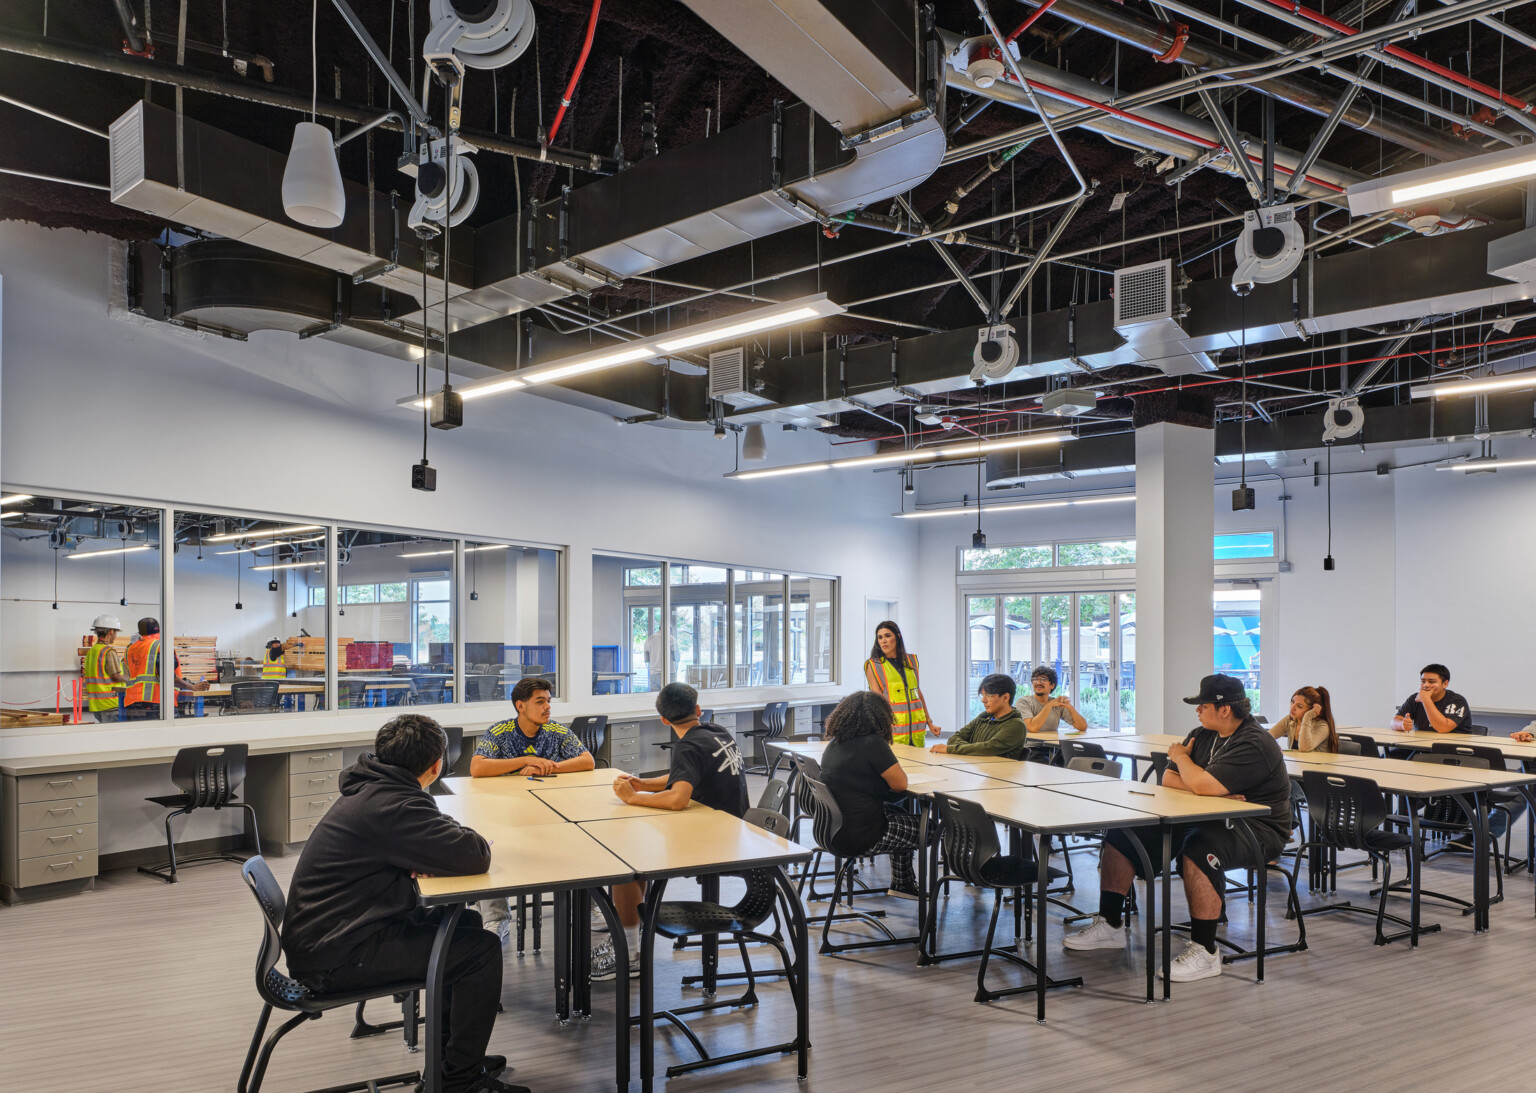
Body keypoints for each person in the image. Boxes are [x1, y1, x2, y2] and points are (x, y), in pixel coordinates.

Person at [280, 715, 519, 1093]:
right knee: (481, 949)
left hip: (331, 936)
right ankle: (459, 1081)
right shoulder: (395, 806)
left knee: (465, 925)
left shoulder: (376, 788)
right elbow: (474, 854)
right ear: (437, 764)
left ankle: (450, 1061)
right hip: (337, 957)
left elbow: (439, 837)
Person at [1063, 674, 1291, 983]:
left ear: (1224, 710)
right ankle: (1110, 925)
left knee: (1200, 848)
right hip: (1206, 814)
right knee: (1122, 833)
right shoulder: (1203, 733)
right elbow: (1168, 780)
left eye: (1203, 705)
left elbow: (1197, 781)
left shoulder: (1254, 742)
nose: (1197, 711)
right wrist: (1204, 788)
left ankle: (1206, 952)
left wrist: (1185, 761)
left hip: (1256, 828)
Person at [610, 682, 749, 961]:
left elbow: (678, 799)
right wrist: (643, 783)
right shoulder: (715, 732)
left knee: (623, 867)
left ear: (663, 719)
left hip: (715, 843)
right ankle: (635, 939)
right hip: (737, 831)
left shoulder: (686, 746)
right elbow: (686, 776)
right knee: (636, 859)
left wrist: (632, 798)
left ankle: (629, 953)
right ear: (698, 710)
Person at [471, 677, 595, 954]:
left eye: (548, 701)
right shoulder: (500, 731)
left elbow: (588, 761)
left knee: (585, 838)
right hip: (504, 811)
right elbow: (477, 768)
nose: (547, 707)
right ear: (520, 706)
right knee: (486, 847)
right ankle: (496, 917)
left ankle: (591, 906)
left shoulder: (557, 731)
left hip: (552, 809)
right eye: (540, 702)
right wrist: (526, 760)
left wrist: (549, 767)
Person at [819, 690, 932, 901]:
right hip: (861, 835)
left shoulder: (835, 744)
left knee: (900, 813)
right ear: (881, 716)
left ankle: (902, 883)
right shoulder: (872, 743)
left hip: (833, 830)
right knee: (930, 828)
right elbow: (900, 784)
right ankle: (904, 883)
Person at [863, 620, 941, 747]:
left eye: (888, 636)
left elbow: (918, 693)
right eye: (880, 637)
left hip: (916, 730)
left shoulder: (912, 661)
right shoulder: (874, 665)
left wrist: (929, 722)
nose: (883, 641)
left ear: (897, 637)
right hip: (894, 731)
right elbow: (877, 700)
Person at [122, 617, 207, 719]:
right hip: (157, 702)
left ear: (140, 631)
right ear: (159, 629)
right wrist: (191, 687)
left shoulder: (130, 649)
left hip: (133, 702)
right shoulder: (161, 646)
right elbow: (167, 676)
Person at [929, 673, 1027, 758]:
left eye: (988, 695)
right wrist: (972, 749)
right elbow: (954, 738)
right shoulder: (984, 717)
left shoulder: (1016, 725)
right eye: (983, 695)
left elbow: (987, 749)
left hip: (1000, 775)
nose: (983, 700)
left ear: (1005, 697)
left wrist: (951, 749)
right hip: (977, 771)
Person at [1391, 663, 1472, 734]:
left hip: (1450, 748)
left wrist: (1426, 699)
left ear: (1445, 684)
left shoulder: (1457, 700)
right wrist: (1402, 725)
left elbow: (1444, 728)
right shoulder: (1415, 698)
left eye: (1431, 682)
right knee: (1388, 752)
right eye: (1423, 681)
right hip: (1421, 745)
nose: (1425, 685)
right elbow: (1394, 721)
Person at [1016, 666, 1087, 734]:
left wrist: (1069, 707)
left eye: (1043, 679)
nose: (1038, 683)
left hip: (1052, 745)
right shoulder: (1023, 702)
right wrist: (1049, 705)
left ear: (1052, 685)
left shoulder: (1056, 704)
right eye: (1035, 679)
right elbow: (1033, 727)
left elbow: (1082, 727)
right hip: (1030, 746)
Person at [83, 614, 128, 722]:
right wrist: (132, 679)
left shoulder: (91, 652)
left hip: (97, 704)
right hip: (111, 704)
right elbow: (115, 677)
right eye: (116, 632)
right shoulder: (108, 652)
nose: (115, 635)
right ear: (111, 631)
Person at [1269, 685, 1338, 752]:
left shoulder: (1322, 726)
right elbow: (1266, 737)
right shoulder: (1290, 719)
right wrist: (1274, 746)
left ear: (1312, 710)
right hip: (1296, 763)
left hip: (1316, 763)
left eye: (1299, 706)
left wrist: (1307, 717)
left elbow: (1304, 748)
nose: (1292, 708)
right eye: (1293, 702)